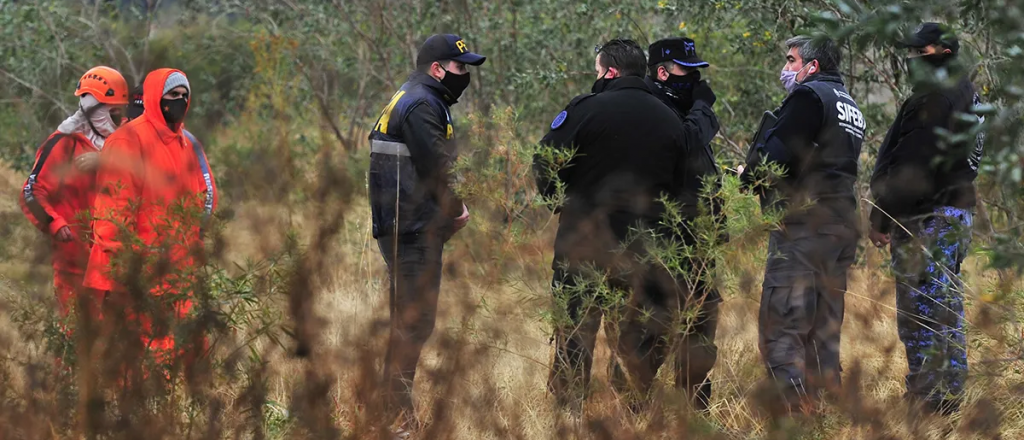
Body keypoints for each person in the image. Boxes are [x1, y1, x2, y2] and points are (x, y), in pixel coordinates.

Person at [534, 38, 718, 413]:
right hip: (641, 250)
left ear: (609, 71)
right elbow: (681, 184)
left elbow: (544, 161)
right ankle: (631, 411)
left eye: (598, 70)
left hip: (583, 245)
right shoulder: (671, 121)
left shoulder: (586, 110)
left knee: (575, 332)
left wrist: (558, 200)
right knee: (635, 339)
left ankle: (569, 415)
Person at [366, 33, 485, 433]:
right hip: (409, 228)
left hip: (410, 225)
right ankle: (395, 416)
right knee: (413, 322)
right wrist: (456, 207)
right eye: (459, 66)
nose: (464, 74)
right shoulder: (421, 103)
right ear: (437, 69)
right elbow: (436, 166)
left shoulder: (420, 97)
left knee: (411, 321)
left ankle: (393, 410)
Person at [740, 34, 864, 411]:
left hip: (804, 227)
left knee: (783, 330)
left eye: (792, 61)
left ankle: (795, 420)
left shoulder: (809, 97)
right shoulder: (850, 105)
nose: (786, 69)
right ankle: (828, 414)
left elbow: (777, 160)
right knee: (823, 331)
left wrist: (751, 173)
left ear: (813, 67)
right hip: (840, 227)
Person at [868, 23, 982, 415]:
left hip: (928, 219)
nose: (913, 59)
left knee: (922, 312)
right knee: (945, 308)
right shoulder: (967, 92)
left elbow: (911, 168)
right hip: (954, 214)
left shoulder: (936, 97)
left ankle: (930, 400)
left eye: (922, 51)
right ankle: (948, 395)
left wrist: (881, 217)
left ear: (943, 52)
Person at [84, 68, 218, 373]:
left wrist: (192, 244)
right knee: (141, 355)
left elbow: (203, 196)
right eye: (173, 95)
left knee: (184, 350)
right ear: (156, 97)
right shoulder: (127, 140)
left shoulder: (184, 141)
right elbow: (112, 213)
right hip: (140, 268)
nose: (180, 101)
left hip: (178, 267)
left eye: (185, 95)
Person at [640, 36, 723, 410]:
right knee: (652, 330)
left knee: (701, 329)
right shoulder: (653, 109)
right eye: (686, 72)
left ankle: (694, 409)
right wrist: (704, 109)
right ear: (661, 72)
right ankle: (632, 407)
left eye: (697, 72)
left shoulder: (685, 111)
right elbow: (685, 145)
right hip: (664, 242)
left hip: (698, 245)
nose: (694, 80)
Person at [21, 66, 129, 322]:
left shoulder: (126, 140)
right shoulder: (63, 143)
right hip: (75, 265)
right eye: (112, 112)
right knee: (76, 344)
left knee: (119, 347)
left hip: (119, 263)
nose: (118, 118)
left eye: (120, 111)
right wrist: (55, 224)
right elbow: (31, 192)